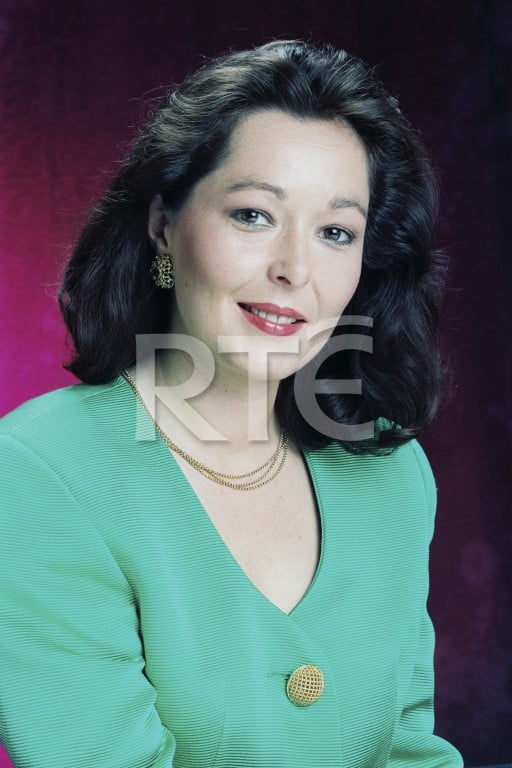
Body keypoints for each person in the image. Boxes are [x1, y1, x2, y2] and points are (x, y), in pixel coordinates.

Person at [0, 40, 463, 767]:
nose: (294, 269)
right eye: (253, 215)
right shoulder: (39, 472)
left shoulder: (390, 472)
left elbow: (408, 748)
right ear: (164, 223)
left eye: (335, 232)